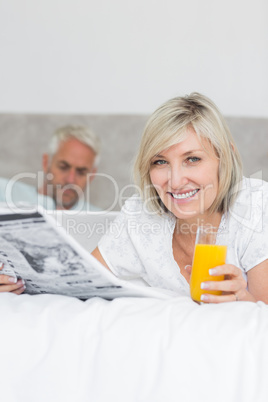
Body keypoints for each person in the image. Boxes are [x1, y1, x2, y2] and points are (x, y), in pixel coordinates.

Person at [91, 92, 268, 304]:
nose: (175, 182)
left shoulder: (257, 206)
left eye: (192, 159)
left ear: (225, 158)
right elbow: (78, 283)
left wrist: (242, 299)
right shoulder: (140, 215)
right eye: (160, 162)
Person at [0, 125, 101, 211]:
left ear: (92, 176)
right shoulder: (5, 195)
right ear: (46, 163)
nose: (70, 180)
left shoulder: (103, 222)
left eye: (81, 172)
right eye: (63, 167)